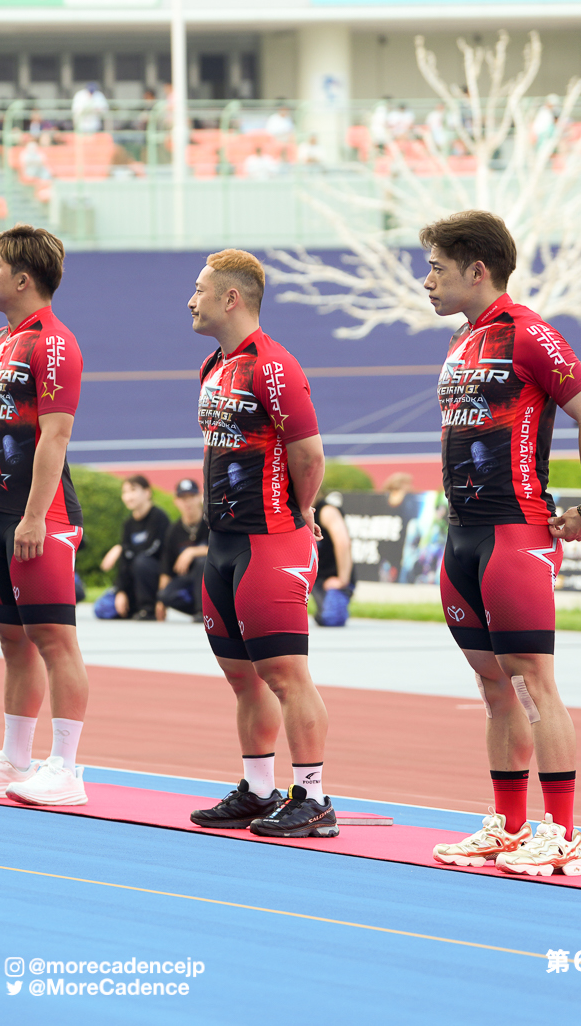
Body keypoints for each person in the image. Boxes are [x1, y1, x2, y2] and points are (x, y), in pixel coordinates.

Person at [418, 209, 581, 879]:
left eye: (437, 268)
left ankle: (563, 833)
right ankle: (507, 825)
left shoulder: (530, 334)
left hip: (515, 532)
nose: (427, 281)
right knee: (493, 684)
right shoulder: (461, 342)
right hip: (462, 534)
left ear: (478, 269)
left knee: (533, 682)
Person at [182, 250, 337, 839]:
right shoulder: (213, 366)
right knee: (242, 678)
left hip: (270, 541)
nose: (190, 301)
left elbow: (309, 453)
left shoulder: (274, 365)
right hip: (223, 543)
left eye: (199, 290)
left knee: (286, 675)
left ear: (232, 298)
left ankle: (316, 798)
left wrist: (301, 510)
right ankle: (258, 789)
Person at [0, 225, 91, 807]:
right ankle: (14, 759)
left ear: (22, 279)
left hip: (41, 516)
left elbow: (55, 437)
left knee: (55, 641)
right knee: (13, 644)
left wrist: (34, 517)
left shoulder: (54, 343)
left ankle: (68, 769)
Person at [99, 474, 169, 620]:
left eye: (132, 490)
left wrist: (121, 548)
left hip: (154, 577)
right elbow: (125, 561)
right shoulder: (128, 524)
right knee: (102, 609)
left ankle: (148, 609)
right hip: (133, 581)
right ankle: (132, 607)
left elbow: (156, 552)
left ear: (147, 492)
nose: (128, 496)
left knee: (142, 561)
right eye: (124, 492)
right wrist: (121, 590)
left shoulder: (159, 517)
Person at [158, 477, 209, 620]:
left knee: (201, 562)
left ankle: (204, 612)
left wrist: (193, 551)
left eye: (192, 496)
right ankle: (202, 611)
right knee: (165, 595)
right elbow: (166, 568)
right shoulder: (173, 531)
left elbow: (224, 550)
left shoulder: (211, 523)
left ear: (200, 497)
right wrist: (161, 602)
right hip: (188, 581)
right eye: (183, 498)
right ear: (176, 502)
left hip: (212, 579)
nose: (188, 502)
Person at [313, 489, 355, 622]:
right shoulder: (294, 511)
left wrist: (342, 580)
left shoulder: (326, 511)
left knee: (331, 618)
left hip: (331, 578)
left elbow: (343, 543)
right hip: (312, 575)